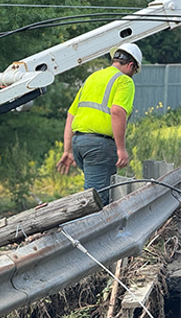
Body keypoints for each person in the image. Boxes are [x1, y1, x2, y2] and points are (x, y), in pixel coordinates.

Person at [56, 43, 141, 206]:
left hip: (79, 144)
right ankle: (84, 230)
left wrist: (68, 150)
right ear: (131, 65)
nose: (133, 75)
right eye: (134, 71)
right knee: (97, 201)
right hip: (99, 146)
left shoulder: (93, 78)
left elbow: (71, 114)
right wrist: (121, 149)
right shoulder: (124, 81)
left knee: (92, 192)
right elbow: (117, 111)